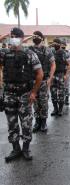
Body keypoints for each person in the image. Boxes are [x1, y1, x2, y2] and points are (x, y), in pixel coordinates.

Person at [0, 27, 43, 161]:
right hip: (9, 94)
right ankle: (15, 149)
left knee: (26, 123)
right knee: (12, 124)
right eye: (11, 36)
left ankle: (26, 148)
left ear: (22, 38)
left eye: (15, 36)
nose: (13, 39)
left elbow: (40, 74)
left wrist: (34, 92)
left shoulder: (30, 54)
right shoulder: (4, 54)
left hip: (25, 94)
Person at [29, 31, 56, 132]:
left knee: (44, 102)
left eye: (37, 36)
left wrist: (50, 78)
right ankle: (37, 121)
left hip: (44, 81)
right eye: (34, 36)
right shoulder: (29, 49)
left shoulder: (47, 50)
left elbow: (53, 64)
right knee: (35, 102)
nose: (35, 38)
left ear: (42, 38)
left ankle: (44, 122)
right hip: (33, 81)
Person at [50, 38, 70, 116]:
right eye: (53, 43)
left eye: (56, 43)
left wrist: (66, 75)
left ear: (59, 44)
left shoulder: (64, 53)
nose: (54, 45)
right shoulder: (51, 52)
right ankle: (55, 109)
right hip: (52, 75)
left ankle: (60, 110)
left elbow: (69, 64)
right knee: (53, 93)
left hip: (61, 75)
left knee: (61, 93)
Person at [61, 41, 70, 106]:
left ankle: (66, 98)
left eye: (63, 45)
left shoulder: (68, 53)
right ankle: (62, 98)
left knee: (66, 86)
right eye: (61, 45)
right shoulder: (58, 52)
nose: (62, 46)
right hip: (60, 72)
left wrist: (69, 73)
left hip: (66, 71)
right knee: (61, 86)